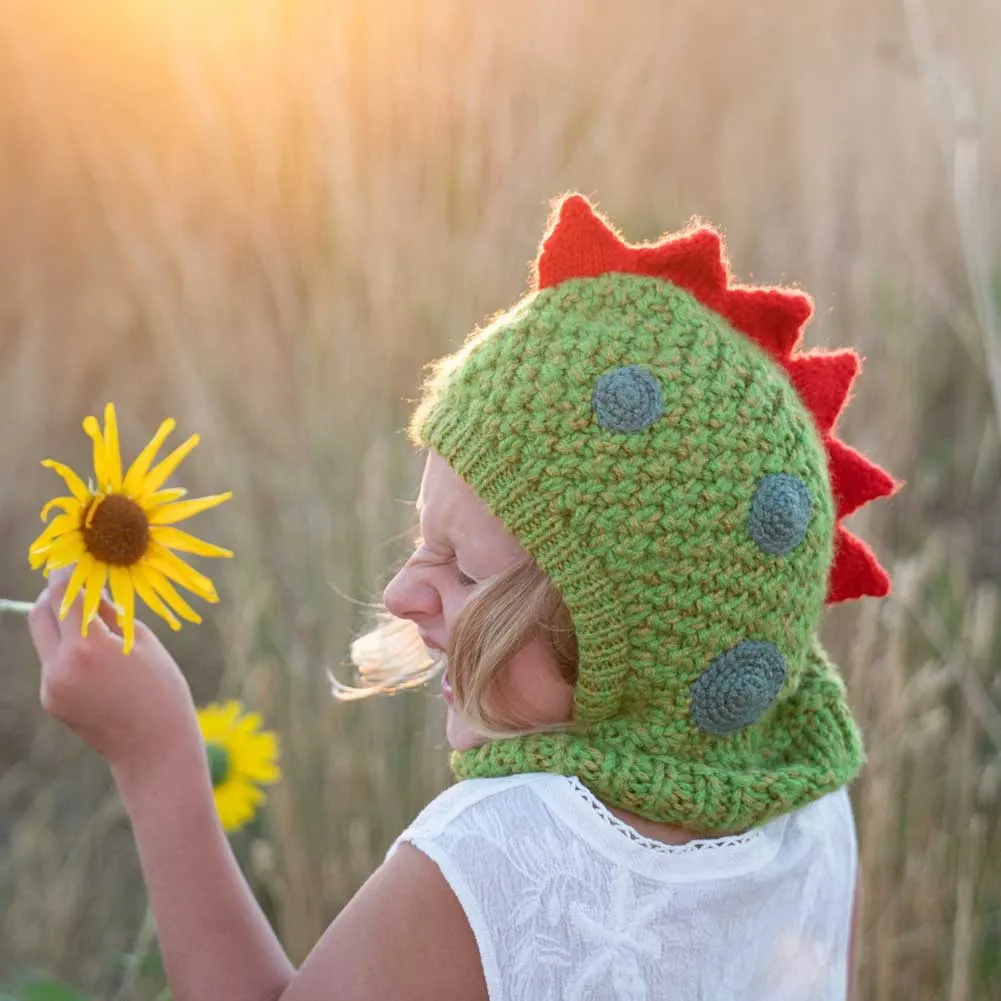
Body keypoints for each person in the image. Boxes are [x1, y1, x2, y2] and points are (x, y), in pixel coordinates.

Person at [28, 193, 896, 1000]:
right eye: (420, 538)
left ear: (637, 634)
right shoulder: (810, 801)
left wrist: (156, 761)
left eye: (464, 567)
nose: (403, 593)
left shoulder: (504, 853)